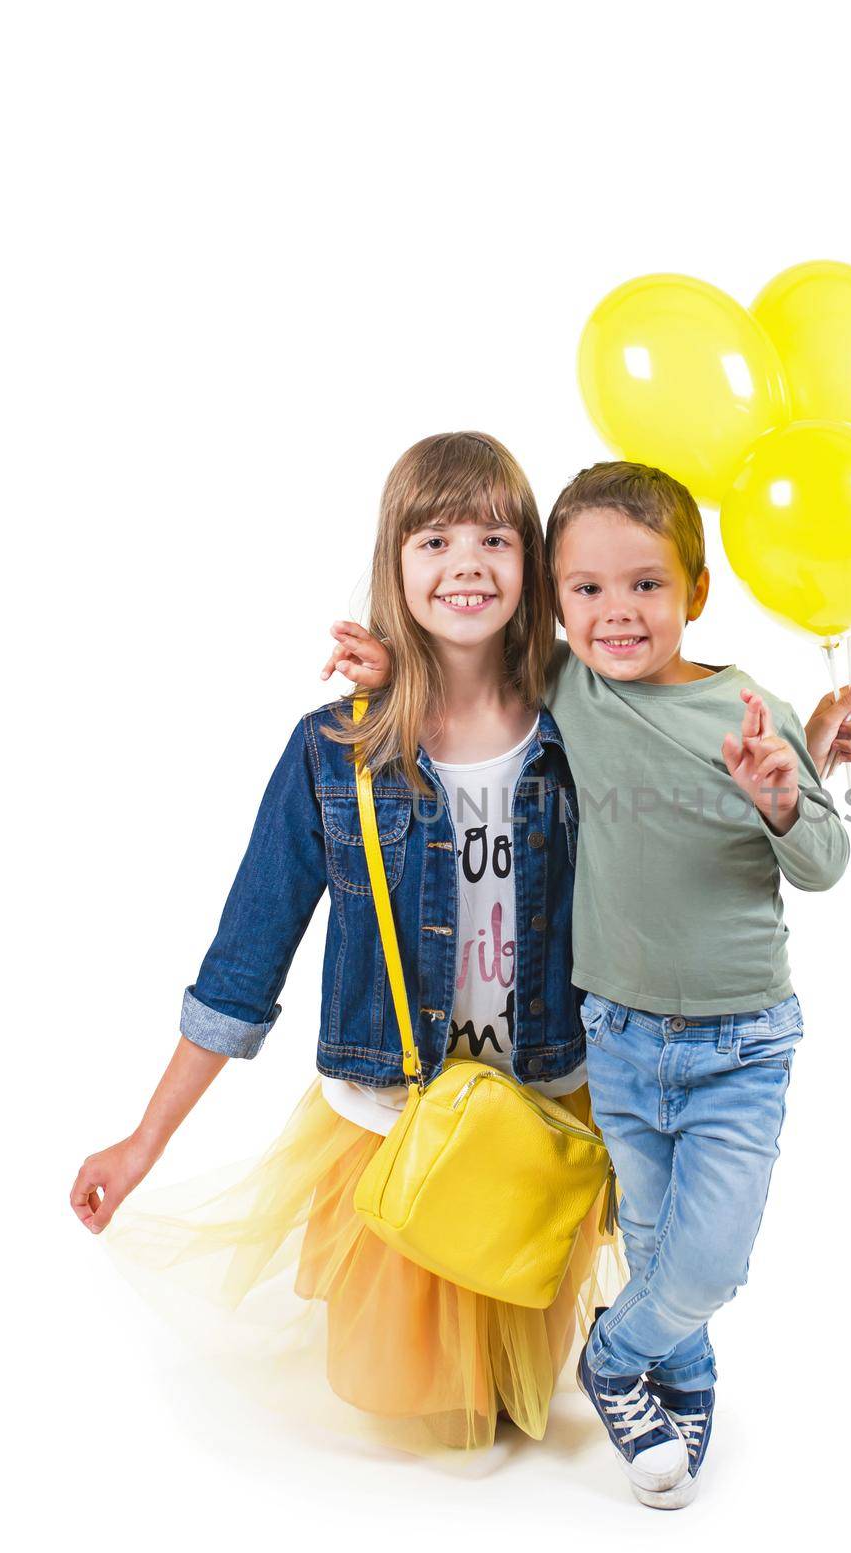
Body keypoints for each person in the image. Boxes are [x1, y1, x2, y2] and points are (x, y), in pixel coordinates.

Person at [70, 432, 617, 1453]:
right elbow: (246, 958)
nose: (465, 562)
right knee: (421, 1420)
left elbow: (680, 732)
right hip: (392, 1121)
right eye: (433, 537)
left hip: (538, 1115)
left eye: (496, 537)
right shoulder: (337, 750)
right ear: (392, 565)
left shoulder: (582, 724)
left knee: (513, 1409)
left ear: (532, 563)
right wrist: (145, 1140)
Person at [343, 458, 851, 1504]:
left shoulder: (749, 706)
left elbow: (821, 865)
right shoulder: (563, 684)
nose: (616, 613)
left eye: (646, 585)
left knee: (712, 1259)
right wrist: (390, 665)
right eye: (584, 590)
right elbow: (467, 656)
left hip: (742, 1042)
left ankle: (614, 1354)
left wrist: (783, 790)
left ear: (697, 592)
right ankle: (679, 1376)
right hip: (618, 1039)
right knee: (654, 1239)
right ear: (554, 601)